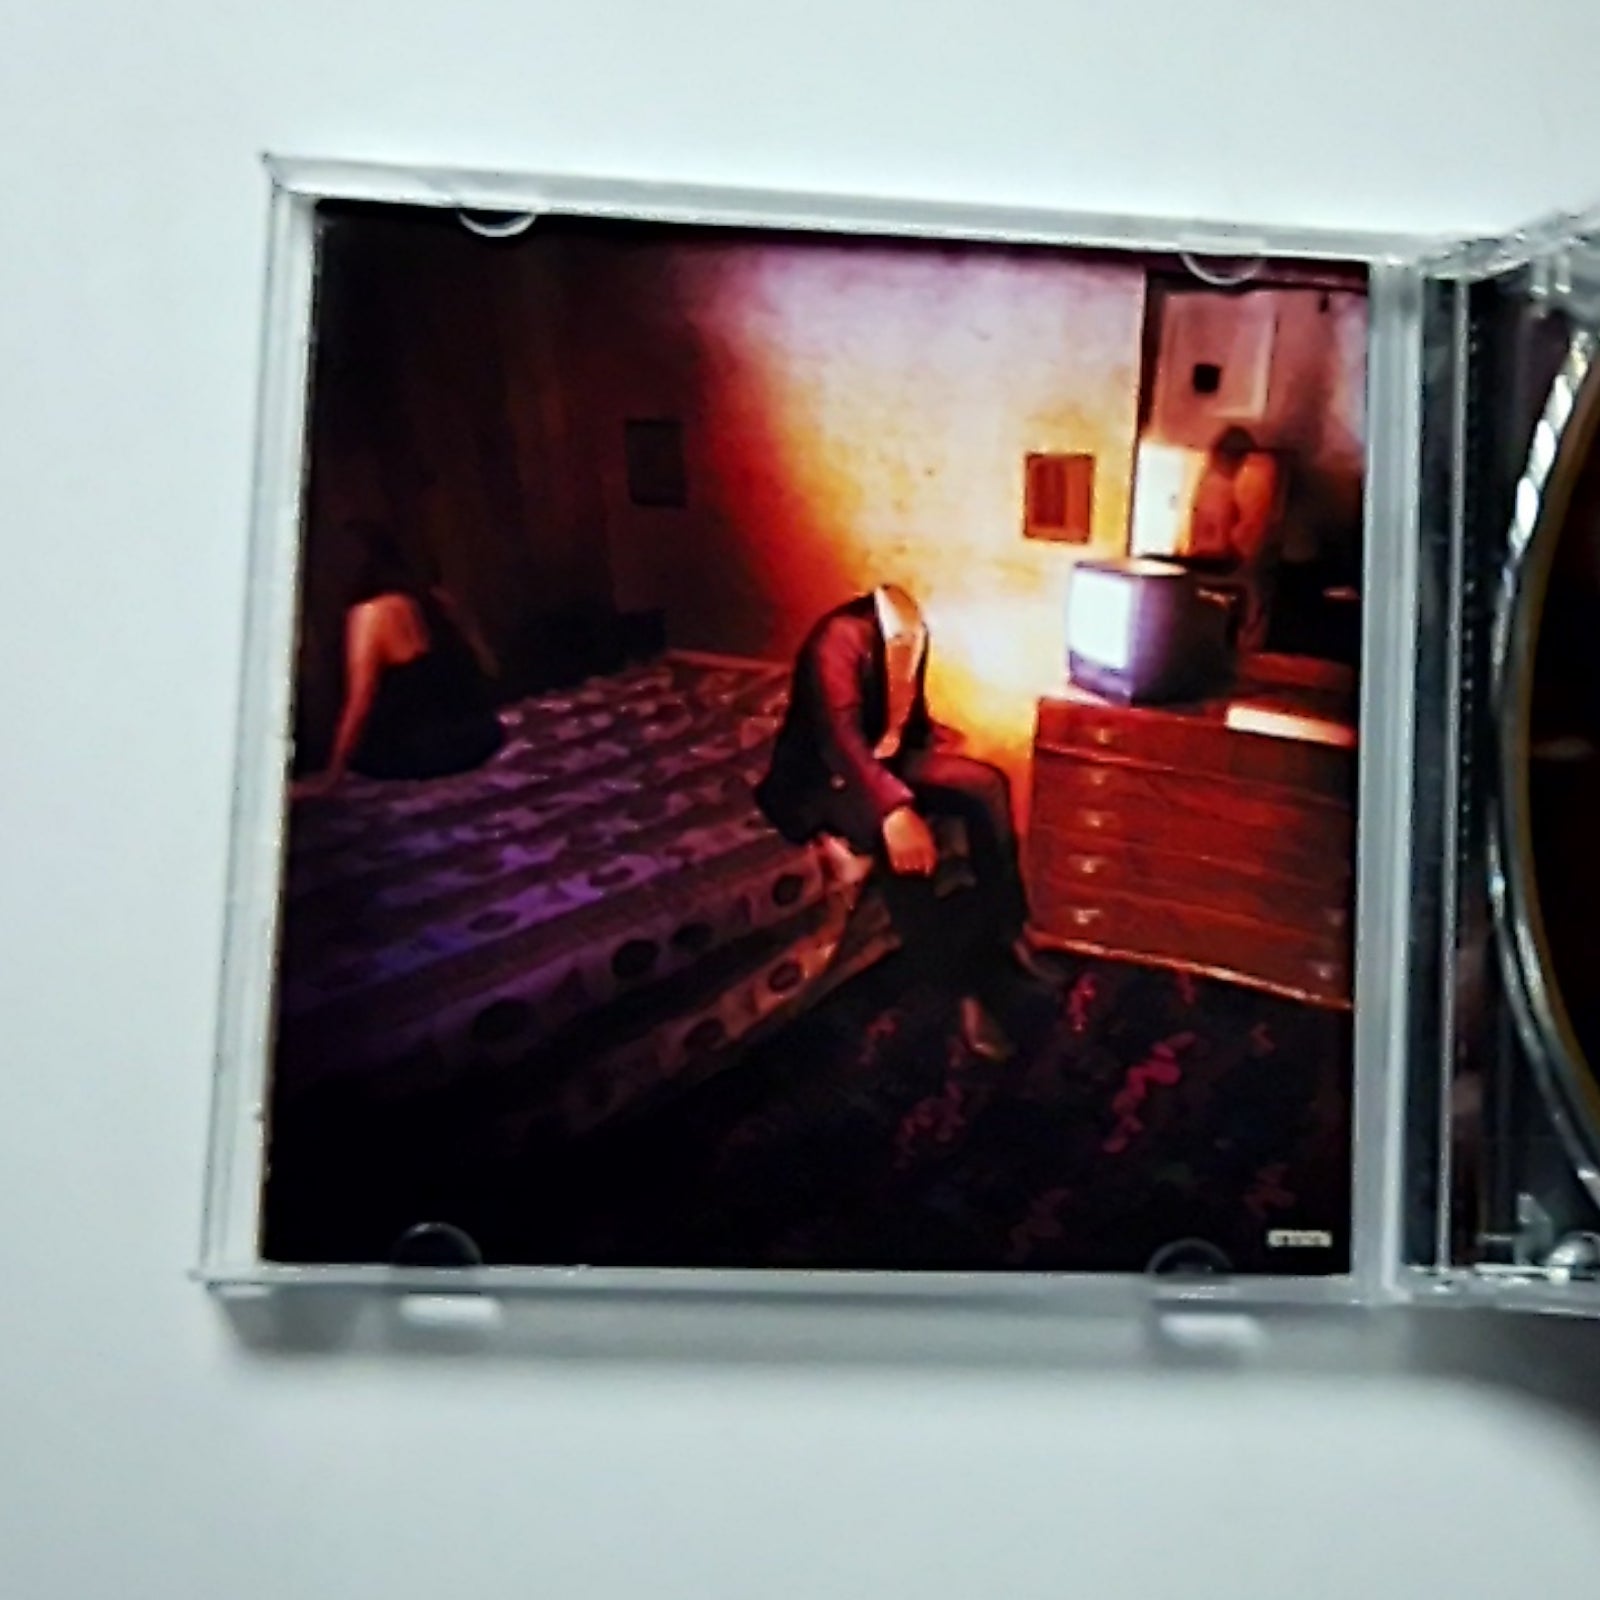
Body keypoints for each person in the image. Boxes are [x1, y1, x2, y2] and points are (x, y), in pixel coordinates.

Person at [756, 584, 1050, 1061]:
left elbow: (898, 706)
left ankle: (1009, 929)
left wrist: (926, 734)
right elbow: (840, 740)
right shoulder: (838, 639)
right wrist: (893, 810)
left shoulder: (910, 630)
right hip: (826, 777)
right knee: (901, 845)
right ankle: (961, 993)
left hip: (882, 760)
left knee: (986, 785)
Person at [291, 523, 505, 799]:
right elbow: (485, 664)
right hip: (477, 737)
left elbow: (360, 702)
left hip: (426, 750)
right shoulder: (431, 598)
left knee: (369, 755)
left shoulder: (370, 614)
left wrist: (331, 777)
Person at [1186, 426, 1282, 651]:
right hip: (1220, 566)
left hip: (1214, 566)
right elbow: (1223, 536)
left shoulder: (1213, 481)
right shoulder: (1220, 485)